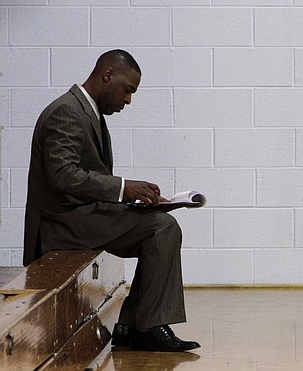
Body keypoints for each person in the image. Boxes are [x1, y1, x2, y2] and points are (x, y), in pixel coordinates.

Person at [23, 49, 200, 353]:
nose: (128, 99)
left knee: (160, 224)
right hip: (60, 223)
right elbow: (62, 175)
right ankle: (144, 327)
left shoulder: (85, 111)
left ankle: (133, 326)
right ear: (107, 75)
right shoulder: (67, 111)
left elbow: (83, 180)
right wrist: (123, 189)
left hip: (79, 216)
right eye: (127, 89)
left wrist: (131, 201)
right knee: (162, 228)